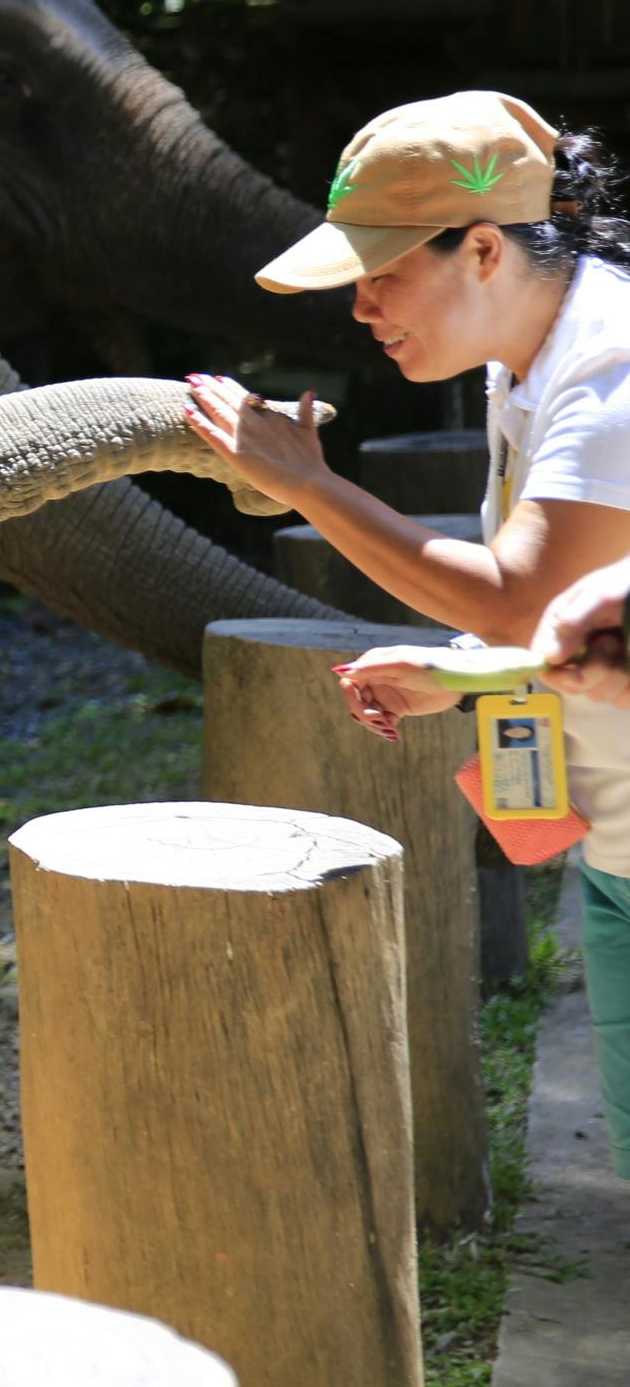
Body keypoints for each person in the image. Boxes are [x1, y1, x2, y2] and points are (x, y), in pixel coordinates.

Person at [186, 88, 630, 1185]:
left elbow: (520, 598)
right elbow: (583, 603)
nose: (361, 306)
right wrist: (470, 675)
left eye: (382, 271)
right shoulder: (526, 357)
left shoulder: (611, 370)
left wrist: (308, 485)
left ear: (482, 249)